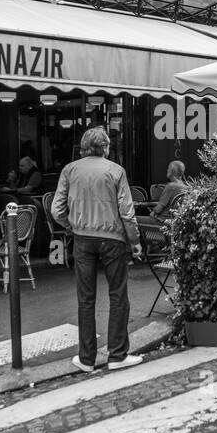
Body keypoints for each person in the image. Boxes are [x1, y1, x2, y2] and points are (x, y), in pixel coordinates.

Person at [51, 127, 143, 374]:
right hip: (112, 239)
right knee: (118, 295)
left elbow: (56, 210)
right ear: (106, 147)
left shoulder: (70, 170)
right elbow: (127, 211)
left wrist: (71, 226)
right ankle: (117, 354)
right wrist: (134, 240)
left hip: (82, 238)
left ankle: (86, 358)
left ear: (83, 147)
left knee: (86, 298)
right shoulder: (116, 170)